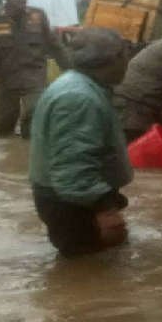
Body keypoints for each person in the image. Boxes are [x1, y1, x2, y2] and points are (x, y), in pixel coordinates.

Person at [29, 28, 133, 257]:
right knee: (88, 273)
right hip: (73, 202)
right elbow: (73, 169)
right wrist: (106, 210)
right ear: (115, 58)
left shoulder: (81, 86)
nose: (129, 62)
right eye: (128, 55)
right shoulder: (79, 97)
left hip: (73, 196)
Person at [0, 0, 69, 139]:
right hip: (6, 78)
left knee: (35, 114)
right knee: (3, 128)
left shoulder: (38, 16)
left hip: (34, 76)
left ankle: (29, 146)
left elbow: (55, 45)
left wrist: (70, 69)